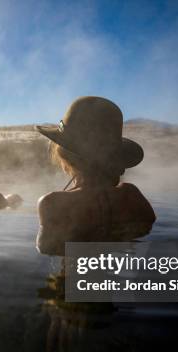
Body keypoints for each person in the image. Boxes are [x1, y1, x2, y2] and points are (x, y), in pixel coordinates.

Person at [35, 96, 156, 256]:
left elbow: (46, 250)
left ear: (66, 156)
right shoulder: (133, 196)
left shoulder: (53, 204)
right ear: (116, 156)